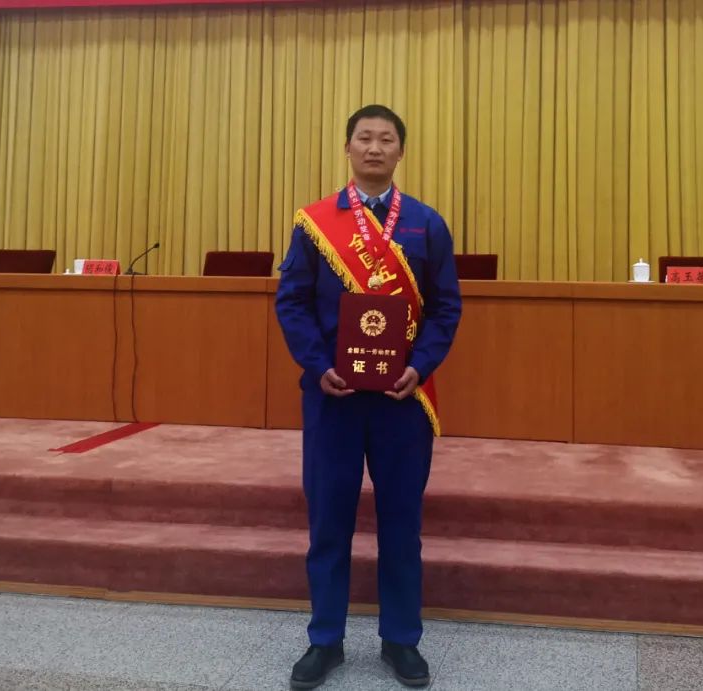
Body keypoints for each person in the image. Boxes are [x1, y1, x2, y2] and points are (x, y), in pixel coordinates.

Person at [275, 104, 462, 689]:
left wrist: (421, 366)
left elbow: (446, 308)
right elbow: (292, 302)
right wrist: (318, 365)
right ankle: (324, 640)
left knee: (401, 525)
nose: (374, 148)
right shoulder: (314, 223)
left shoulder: (426, 224)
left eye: (386, 139)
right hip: (333, 397)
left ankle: (401, 640)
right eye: (364, 138)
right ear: (349, 148)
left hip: (403, 402)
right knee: (329, 522)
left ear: (400, 151)